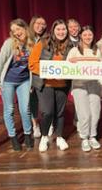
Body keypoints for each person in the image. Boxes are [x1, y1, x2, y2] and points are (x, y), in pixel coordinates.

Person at [29, 19, 71, 152]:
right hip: (45, 84)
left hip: (62, 84)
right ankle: (44, 136)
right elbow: (32, 63)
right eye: (58, 29)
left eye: (63, 29)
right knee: (47, 112)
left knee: (60, 112)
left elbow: (76, 65)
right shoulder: (43, 43)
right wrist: (49, 73)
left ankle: (59, 137)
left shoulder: (71, 46)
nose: (61, 32)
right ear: (53, 30)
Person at [0, 18, 34, 151]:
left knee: (25, 109)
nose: (16, 32)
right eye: (13, 30)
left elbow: (34, 65)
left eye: (18, 29)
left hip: (24, 80)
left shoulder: (31, 43)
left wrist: (33, 81)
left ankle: (28, 135)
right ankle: (13, 137)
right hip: (8, 81)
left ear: (25, 28)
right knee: (9, 109)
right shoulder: (9, 43)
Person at [67, 26, 102, 152]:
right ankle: (84, 138)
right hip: (79, 85)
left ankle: (92, 136)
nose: (88, 37)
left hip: (94, 84)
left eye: (90, 35)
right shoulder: (74, 50)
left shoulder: (96, 51)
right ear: (81, 36)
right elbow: (66, 69)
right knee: (84, 113)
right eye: (85, 35)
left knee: (95, 112)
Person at [29, 15, 48, 138]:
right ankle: (35, 125)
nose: (40, 26)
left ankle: (48, 123)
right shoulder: (27, 39)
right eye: (38, 23)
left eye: (43, 24)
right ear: (32, 24)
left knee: (46, 102)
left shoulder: (47, 39)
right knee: (33, 101)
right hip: (29, 76)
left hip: (44, 74)